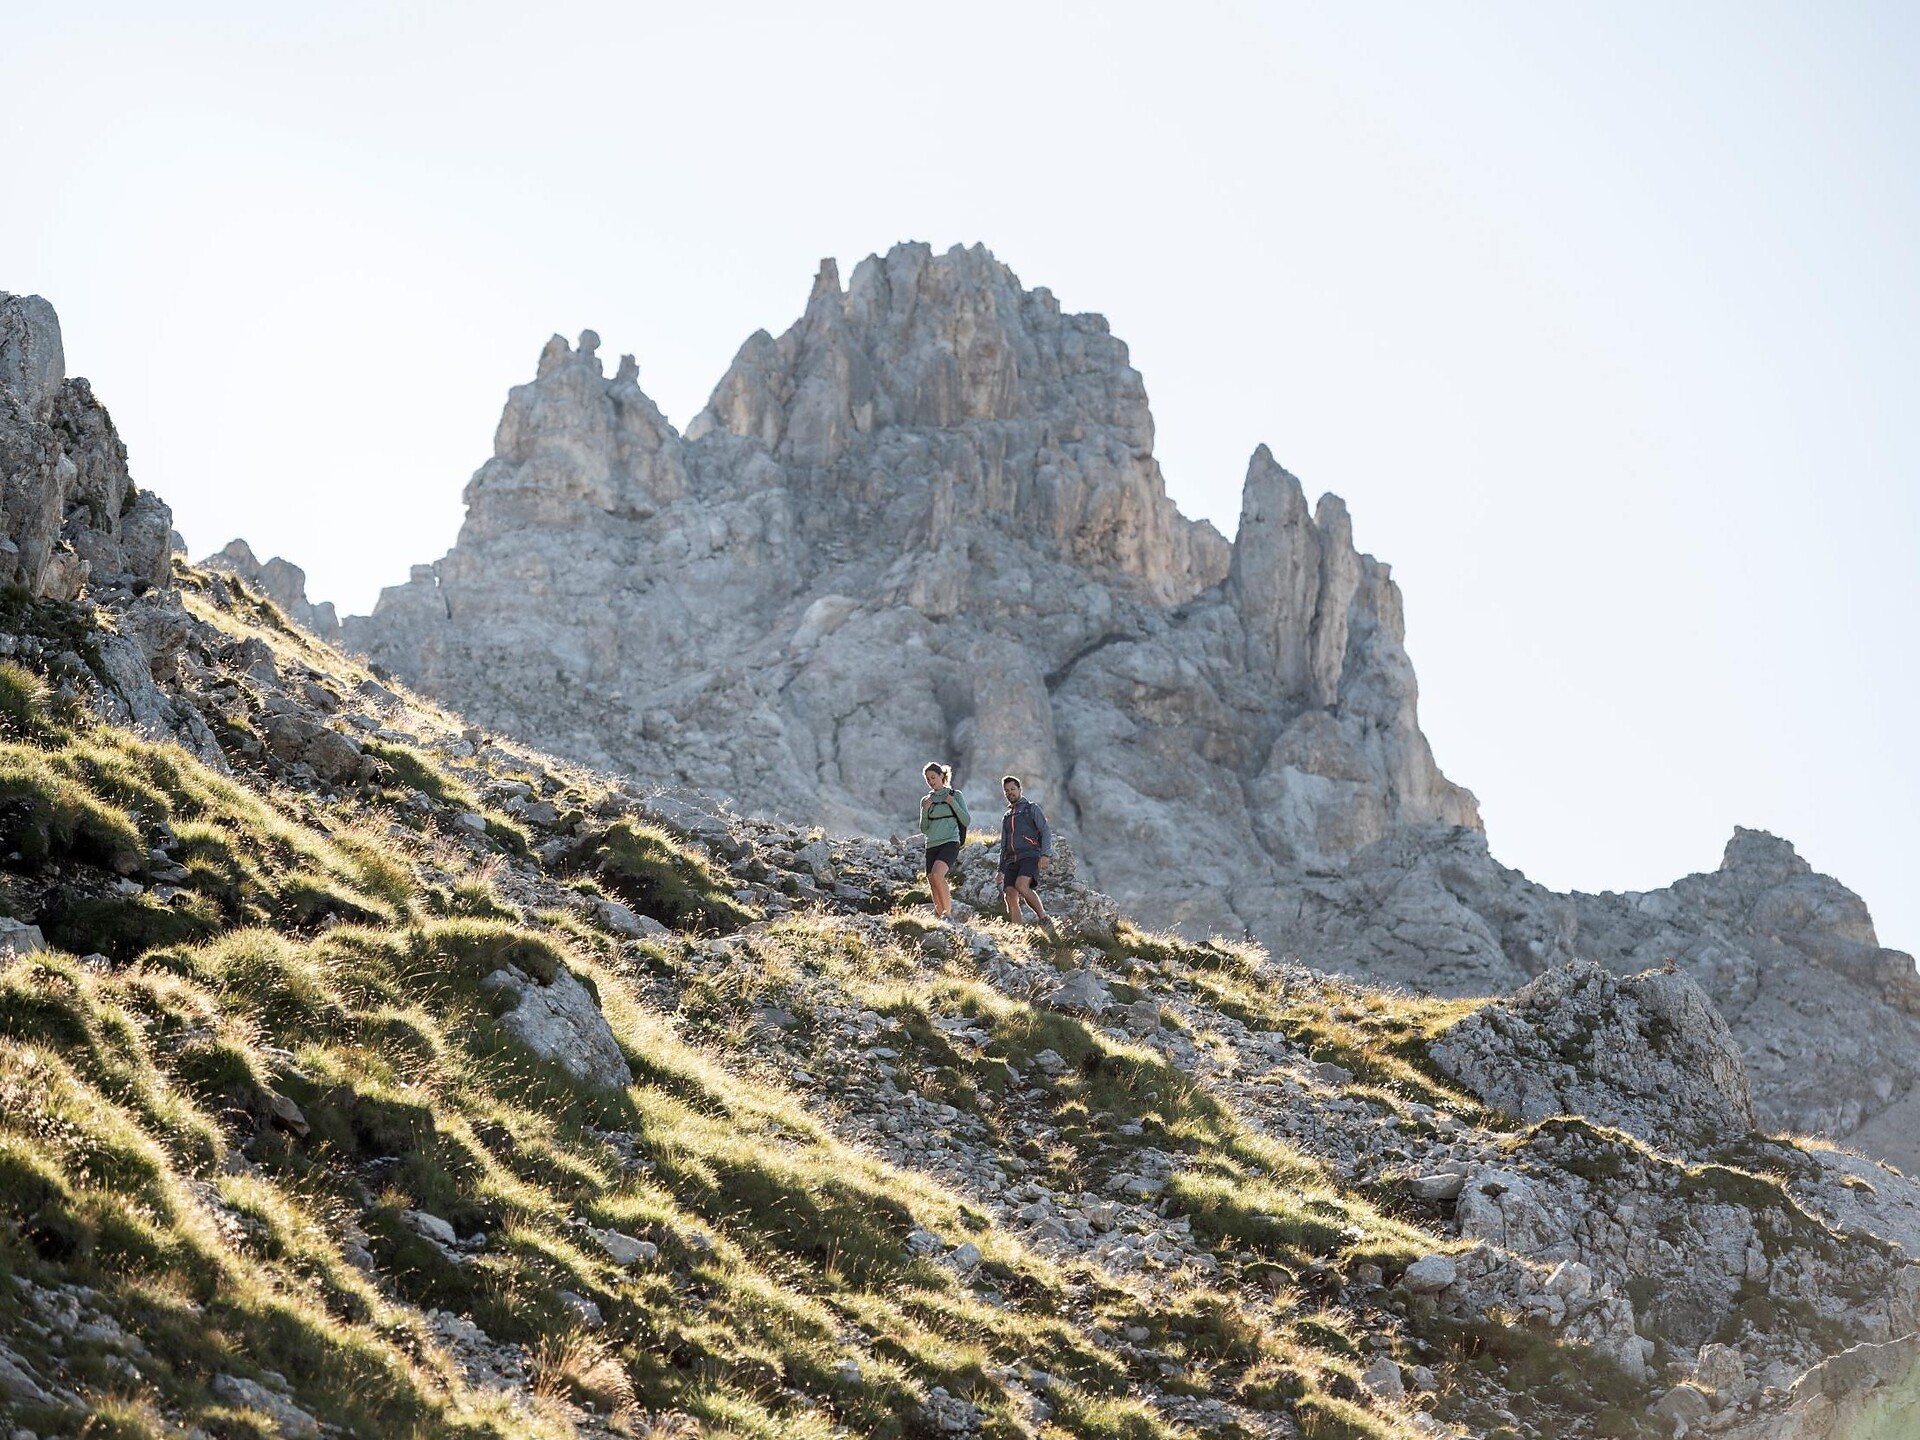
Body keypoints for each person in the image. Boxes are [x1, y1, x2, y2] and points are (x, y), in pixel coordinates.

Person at [997, 775, 1055, 931]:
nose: (1010, 792)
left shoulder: (1031, 808)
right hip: (1011, 860)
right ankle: (1017, 930)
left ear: (1020, 789)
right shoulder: (1007, 816)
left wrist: (1045, 854)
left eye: (1012, 789)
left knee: (1021, 885)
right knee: (1009, 894)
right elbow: (1003, 846)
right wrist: (1000, 869)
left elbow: (1045, 831)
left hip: (1029, 855)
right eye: (1007, 790)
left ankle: (1043, 918)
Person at [918, 762, 969, 921]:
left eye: (933, 777)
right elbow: (924, 828)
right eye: (928, 779)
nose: (931, 781)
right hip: (931, 844)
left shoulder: (955, 795)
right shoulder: (925, 800)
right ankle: (942, 917)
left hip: (950, 841)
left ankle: (948, 914)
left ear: (941, 775)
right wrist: (925, 810)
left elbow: (966, 820)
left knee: (937, 874)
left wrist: (952, 803)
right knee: (932, 880)